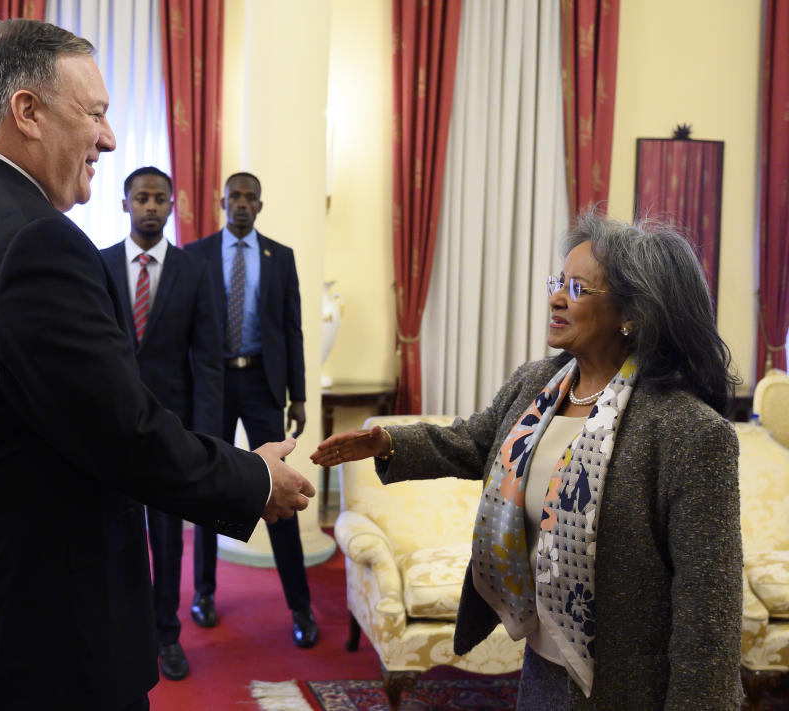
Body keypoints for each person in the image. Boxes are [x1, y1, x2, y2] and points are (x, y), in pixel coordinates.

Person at [0, 20, 315, 711]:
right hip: (30, 640)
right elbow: (122, 435)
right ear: (28, 112)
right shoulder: (36, 241)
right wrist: (254, 480)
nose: (108, 139)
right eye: (95, 113)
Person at [312, 213, 743, 710]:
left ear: (634, 314)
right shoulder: (539, 383)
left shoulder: (687, 431)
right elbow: (476, 441)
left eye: (578, 288)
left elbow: (708, 612)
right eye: (557, 282)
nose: (556, 297)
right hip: (543, 668)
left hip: (631, 685)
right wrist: (386, 442)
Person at [184, 172, 318, 648]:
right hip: (213, 386)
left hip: (262, 384)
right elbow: (185, 329)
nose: (241, 204)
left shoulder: (280, 257)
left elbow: (294, 329)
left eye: (250, 198)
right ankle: (203, 592)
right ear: (222, 202)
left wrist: (297, 394)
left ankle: (300, 608)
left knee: (279, 491)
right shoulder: (195, 255)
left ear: (260, 205)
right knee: (206, 492)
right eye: (234, 196)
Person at [101, 166, 222, 681]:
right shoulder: (98, 264)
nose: (150, 206)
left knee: (168, 538)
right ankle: (120, 636)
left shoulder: (193, 271)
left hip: (171, 429)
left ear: (173, 206)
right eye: (141, 197)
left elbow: (208, 360)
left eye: (160, 199)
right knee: (113, 534)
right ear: (124, 202)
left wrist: (206, 436)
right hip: (110, 426)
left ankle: (167, 635)